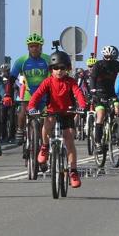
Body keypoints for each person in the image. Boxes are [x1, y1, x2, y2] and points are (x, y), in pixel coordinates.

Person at [29, 50, 87, 188]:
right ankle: (44, 146)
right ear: (51, 70)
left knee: (69, 139)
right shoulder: (48, 82)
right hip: (52, 112)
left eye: (62, 68)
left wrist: (82, 106)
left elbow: (78, 94)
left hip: (67, 112)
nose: (59, 71)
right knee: (47, 123)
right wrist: (31, 107)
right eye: (56, 68)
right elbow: (37, 95)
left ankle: (73, 171)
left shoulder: (71, 82)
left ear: (67, 68)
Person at [9, 33, 49, 143]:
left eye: (37, 46)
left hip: (43, 94)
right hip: (28, 92)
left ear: (41, 47)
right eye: (32, 46)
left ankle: (41, 139)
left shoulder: (47, 59)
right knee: (22, 111)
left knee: (45, 118)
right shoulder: (21, 60)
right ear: (28, 47)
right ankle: (20, 130)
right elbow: (11, 79)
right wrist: (7, 94)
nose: (34, 48)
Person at [89, 45, 119, 151]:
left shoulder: (117, 64)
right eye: (107, 56)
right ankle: (98, 142)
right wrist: (92, 91)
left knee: (118, 108)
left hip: (111, 93)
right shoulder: (98, 64)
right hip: (99, 93)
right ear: (103, 55)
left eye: (111, 57)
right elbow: (92, 78)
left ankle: (115, 131)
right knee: (101, 115)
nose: (108, 59)